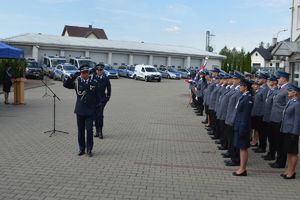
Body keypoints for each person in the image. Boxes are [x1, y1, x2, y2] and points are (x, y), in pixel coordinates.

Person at [63, 65, 98, 157]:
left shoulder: (94, 82)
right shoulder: (77, 82)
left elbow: (97, 97)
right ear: (80, 73)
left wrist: (97, 108)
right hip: (80, 110)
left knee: (89, 130)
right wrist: (73, 76)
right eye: (82, 73)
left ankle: (89, 149)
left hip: (90, 111)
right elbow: (65, 84)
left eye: (86, 72)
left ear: (88, 73)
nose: (84, 74)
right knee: (80, 131)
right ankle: (81, 149)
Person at [269, 70, 291, 168]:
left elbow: (288, 106)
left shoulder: (287, 90)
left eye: (279, 78)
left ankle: (281, 162)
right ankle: (278, 160)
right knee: (276, 141)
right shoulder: (280, 88)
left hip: (280, 120)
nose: (277, 79)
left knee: (281, 142)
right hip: (275, 118)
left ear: (284, 79)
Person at [232, 79, 254, 176]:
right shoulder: (244, 96)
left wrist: (242, 128)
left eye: (241, 85)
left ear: (246, 87)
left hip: (243, 126)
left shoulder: (248, 98)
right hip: (239, 124)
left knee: (243, 147)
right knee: (241, 147)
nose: (239, 87)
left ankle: (243, 169)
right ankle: (241, 167)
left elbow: (245, 115)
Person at [280, 84, 300, 179]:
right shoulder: (291, 101)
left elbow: (297, 119)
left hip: (292, 131)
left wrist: (295, 133)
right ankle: (288, 170)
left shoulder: (297, 104)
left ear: (295, 92)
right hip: (286, 130)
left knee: (293, 152)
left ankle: (292, 172)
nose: (288, 92)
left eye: (289, 91)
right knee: (288, 151)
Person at [93, 63, 111, 139]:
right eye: (98, 70)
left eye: (101, 70)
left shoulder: (106, 78)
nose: (99, 71)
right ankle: (96, 131)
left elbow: (109, 89)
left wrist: (107, 98)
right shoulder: (93, 77)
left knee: (100, 115)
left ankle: (100, 132)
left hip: (102, 100)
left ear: (103, 70)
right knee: (95, 116)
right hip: (94, 100)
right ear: (96, 71)